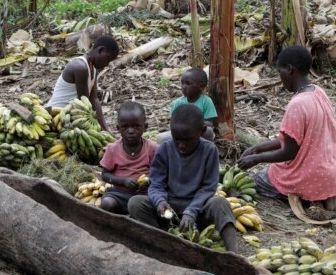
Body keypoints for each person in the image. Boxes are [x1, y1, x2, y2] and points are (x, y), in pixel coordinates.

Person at [238, 45, 336, 211]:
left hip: (311, 177)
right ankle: (322, 196)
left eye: (280, 71)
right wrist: (257, 148)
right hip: (333, 173)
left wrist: (256, 159)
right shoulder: (318, 92)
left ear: (289, 69)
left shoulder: (297, 104)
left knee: (255, 181)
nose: (280, 78)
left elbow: (289, 152)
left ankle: (309, 198)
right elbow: (295, 139)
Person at [128, 104, 239, 252]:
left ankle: (234, 253)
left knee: (220, 203)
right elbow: (156, 184)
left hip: (198, 208)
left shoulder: (209, 151)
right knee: (135, 203)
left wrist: (191, 211)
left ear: (202, 132)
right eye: (177, 139)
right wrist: (160, 201)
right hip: (170, 206)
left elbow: (208, 188)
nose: (181, 145)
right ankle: (160, 240)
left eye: (188, 140)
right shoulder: (165, 149)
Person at [47, 35, 120, 132]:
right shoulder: (80, 67)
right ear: (100, 50)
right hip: (55, 117)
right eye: (107, 59)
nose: (107, 64)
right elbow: (85, 105)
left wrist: (106, 130)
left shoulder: (92, 69)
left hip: (71, 118)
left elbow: (94, 100)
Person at [99, 102, 158, 214]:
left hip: (144, 195)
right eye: (125, 127)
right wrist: (123, 181)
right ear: (118, 128)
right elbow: (105, 175)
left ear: (145, 127)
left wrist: (149, 180)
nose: (130, 131)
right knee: (107, 203)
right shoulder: (112, 149)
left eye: (136, 126)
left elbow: (160, 172)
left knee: (157, 204)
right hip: (120, 193)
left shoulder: (152, 148)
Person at [157, 67, 216, 144]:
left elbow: (210, 123)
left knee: (209, 131)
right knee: (162, 138)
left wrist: (193, 123)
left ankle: (204, 151)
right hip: (180, 134)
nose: (183, 87)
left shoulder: (206, 101)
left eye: (188, 83)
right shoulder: (178, 103)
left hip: (198, 133)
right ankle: (170, 154)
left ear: (201, 86)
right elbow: (172, 123)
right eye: (182, 83)